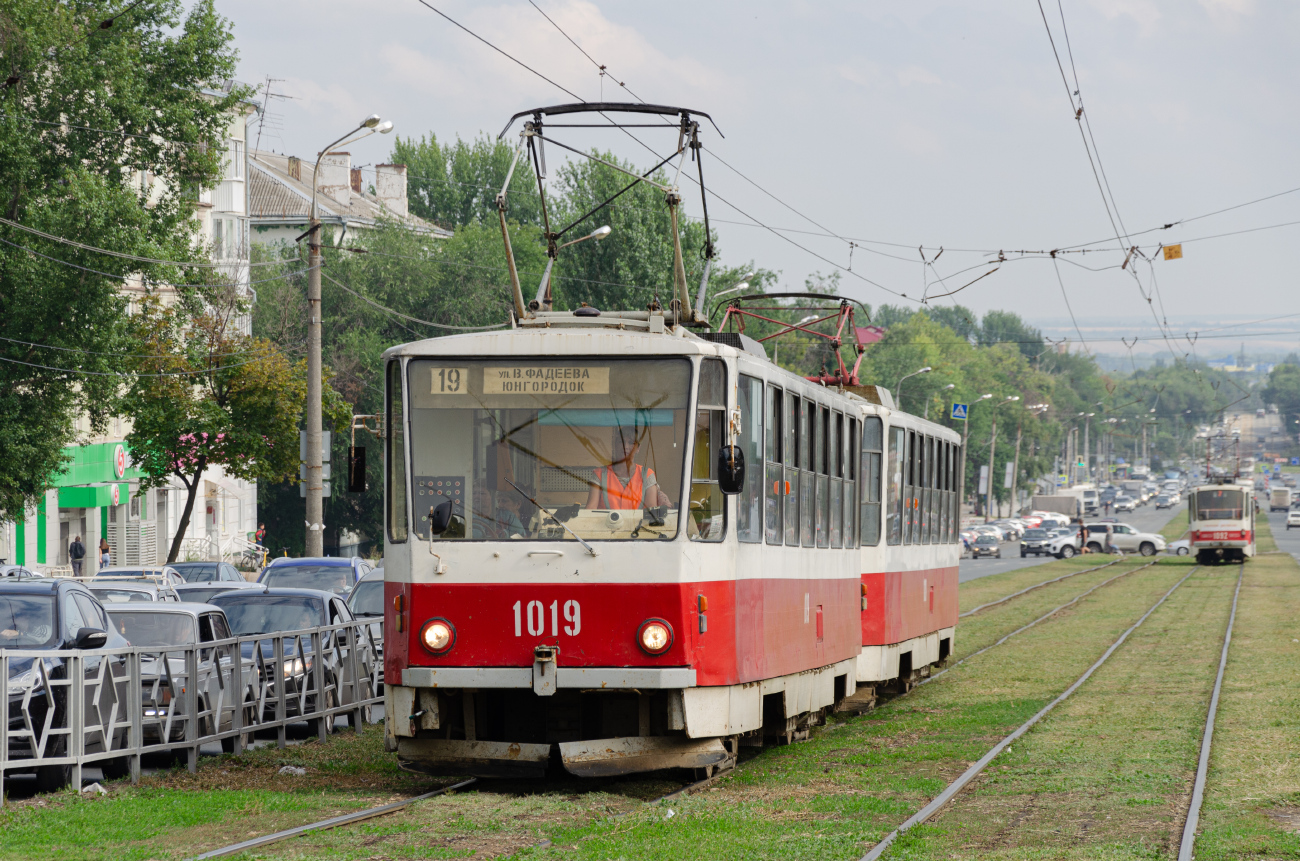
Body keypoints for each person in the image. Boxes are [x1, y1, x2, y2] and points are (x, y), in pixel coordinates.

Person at [586, 428, 671, 510]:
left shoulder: (647, 474)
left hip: (639, 525)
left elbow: (651, 510)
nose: (625, 446)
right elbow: (590, 509)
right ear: (615, 445)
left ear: (638, 448)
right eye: (621, 442)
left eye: (631, 443)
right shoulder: (599, 474)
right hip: (606, 525)